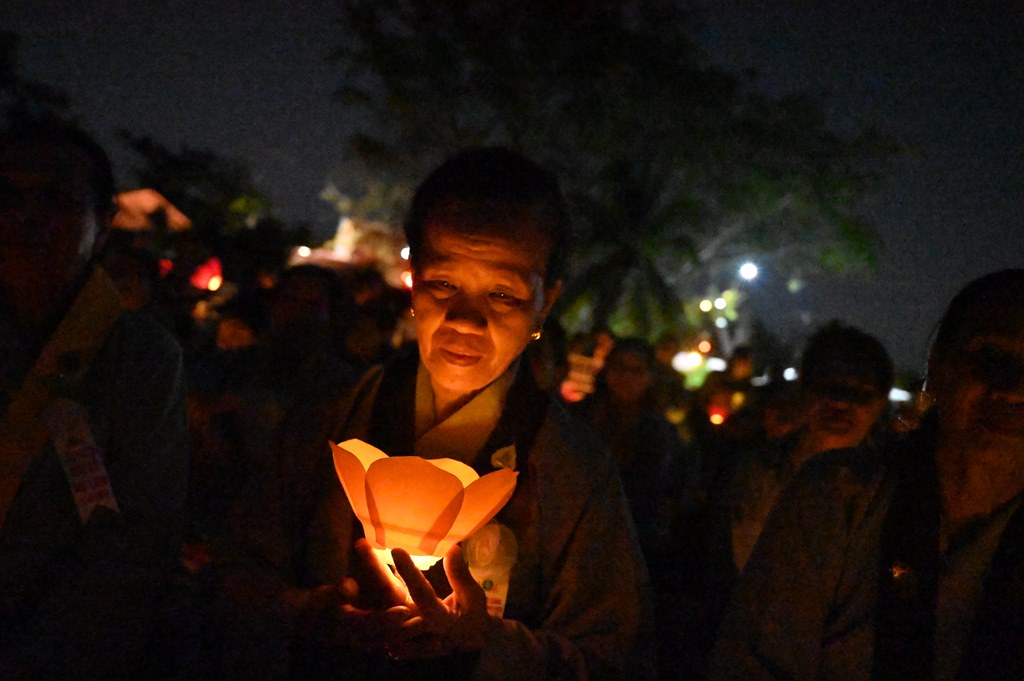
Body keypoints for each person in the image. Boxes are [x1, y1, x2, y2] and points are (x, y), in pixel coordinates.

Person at [216, 148, 653, 681]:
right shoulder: (333, 414)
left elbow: (611, 656)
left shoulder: (573, 468)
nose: (466, 320)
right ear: (414, 280)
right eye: (444, 284)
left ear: (545, 303)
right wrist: (309, 612)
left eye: (503, 294)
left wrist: (488, 643)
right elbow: (235, 573)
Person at [709, 269, 1024, 680]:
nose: (1014, 389)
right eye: (990, 356)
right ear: (937, 364)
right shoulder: (834, 497)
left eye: (858, 394)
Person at [0, 118, 189, 678]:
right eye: (8, 196)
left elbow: (134, 545)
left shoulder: (141, 358)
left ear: (102, 223)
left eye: (55, 199)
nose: (26, 216)